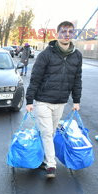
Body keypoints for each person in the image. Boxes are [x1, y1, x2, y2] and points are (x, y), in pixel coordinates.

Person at [25, 21, 83, 179]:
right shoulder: (46, 55)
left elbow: (77, 80)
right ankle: (51, 164)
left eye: (70, 32)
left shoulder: (77, 56)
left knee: (49, 132)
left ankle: (41, 157)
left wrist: (76, 101)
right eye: (63, 31)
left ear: (73, 34)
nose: (66, 35)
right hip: (43, 100)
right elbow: (35, 79)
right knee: (47, 132)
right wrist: (29, 100)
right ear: (57, 34)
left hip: (61, 101)